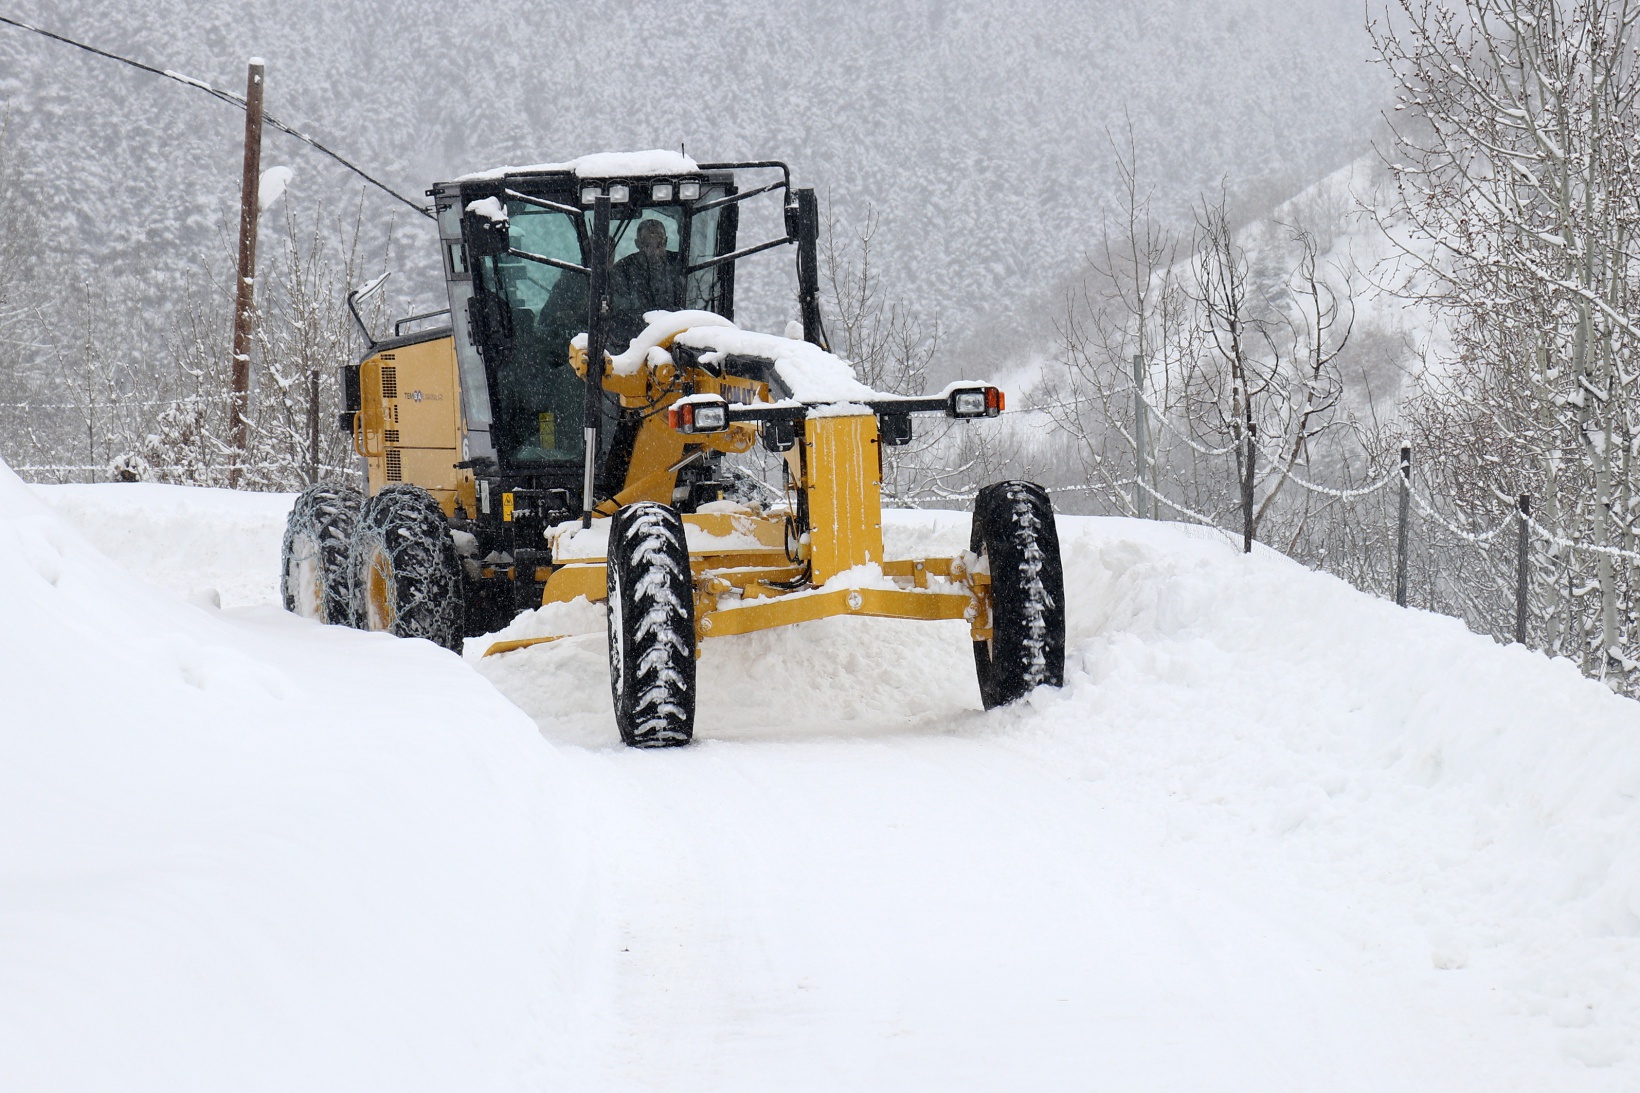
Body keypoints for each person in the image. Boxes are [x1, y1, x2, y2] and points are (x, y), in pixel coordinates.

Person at [610, 218, 684, 343]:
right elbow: (620, 315)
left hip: (678, 338)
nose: (654, 251)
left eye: (659, 245)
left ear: (666, 241)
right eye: (647, 245)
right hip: (634, 342)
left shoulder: (680, 265)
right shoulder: (622, 270)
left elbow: (689, 303)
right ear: (637, 244)